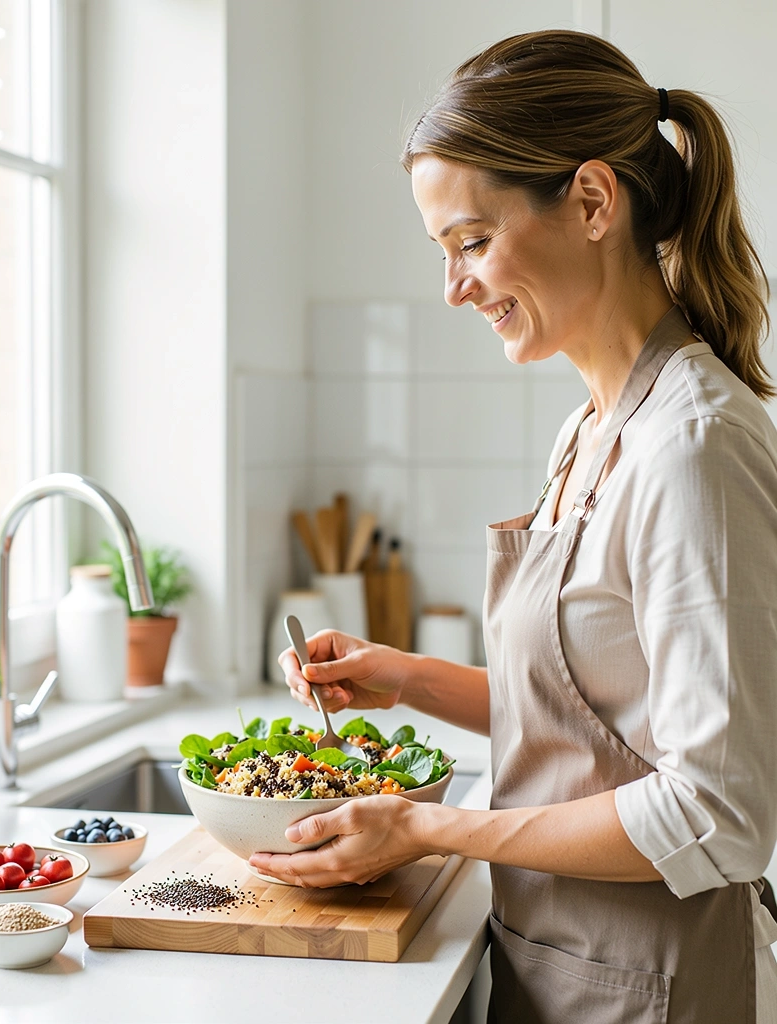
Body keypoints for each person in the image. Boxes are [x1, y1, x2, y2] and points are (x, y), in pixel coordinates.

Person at [256, 29, 777, 1023]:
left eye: (471, 241)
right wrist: (402, 676)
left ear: (590, 202)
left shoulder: (692, 447)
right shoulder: (592, 422)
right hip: (570, 966)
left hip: (658, 987)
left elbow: (719, 813)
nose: (454, 287)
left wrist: (432, 826)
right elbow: (599, 724)